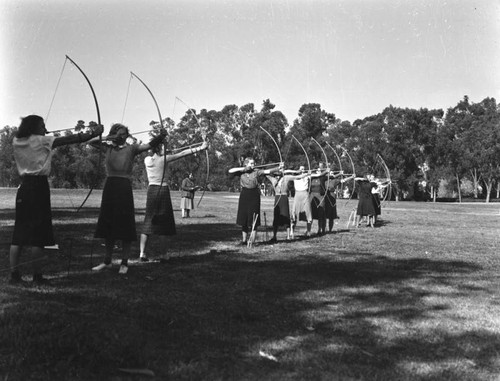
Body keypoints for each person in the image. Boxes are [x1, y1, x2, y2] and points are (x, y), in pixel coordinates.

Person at [9, 115, 103, 284]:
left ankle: (14, 275)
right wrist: (92, 134)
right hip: (38, 188)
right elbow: (69, 139)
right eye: (42, 125)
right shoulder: (42, 140)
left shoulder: (17, 140)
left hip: (23, 188)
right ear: (34, 126)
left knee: (19, 234)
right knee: (38, 235)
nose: (45, 127)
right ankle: (37, 277)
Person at [91, 123, 166, 275]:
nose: (122, 136)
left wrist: (161, 136)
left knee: (125, 225)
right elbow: (91, 142)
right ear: (113, 134)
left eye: (124, 134)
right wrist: (109, 137)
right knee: (108, 225)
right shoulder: (108, 148)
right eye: (119, 133)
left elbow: (148, 145)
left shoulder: (131, 149)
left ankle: (124, 262)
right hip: (110, 186)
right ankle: (107, 261)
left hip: (123, 186)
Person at [139, 142, 208, 261]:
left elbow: (156, 154)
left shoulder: (147, 159)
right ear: (158, 149)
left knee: (148, 222)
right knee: (165, 223)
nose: (165, 149)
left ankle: (141, 254)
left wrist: (162, 151)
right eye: (163, 147)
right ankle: (163, 255)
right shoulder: (164, 159)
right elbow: (182, 153)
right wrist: (200, 148)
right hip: (162, 190)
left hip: (151, 190)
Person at [228, 158, 282, 246]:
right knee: (243, 219)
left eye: (253, 163)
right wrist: (244, 169)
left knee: (254, 219)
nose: (253, 165)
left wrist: (278, 168)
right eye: (251, 163)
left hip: (254, 195)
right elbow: (230, 171)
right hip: (244, 195)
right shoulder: (241, 172)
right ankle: (244, 240)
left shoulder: (256, 171)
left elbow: (267, 171)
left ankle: (252, 241)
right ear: (246, 164)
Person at [265, 169, 309, 242]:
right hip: (277, 198)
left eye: (278, 175)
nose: (277, 177)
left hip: (284, 198)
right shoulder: (273, 179)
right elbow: (265, 173)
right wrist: (275, 168)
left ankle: (288, 236)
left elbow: (297, 177)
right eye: (275, 175)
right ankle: (274, 236)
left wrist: (306, 174)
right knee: (276, 217)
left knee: (286, 216)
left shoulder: (286, 178)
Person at [290, 165, 313, 239]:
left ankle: (308, 231)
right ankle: (291, 232)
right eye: (301, 169)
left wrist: (325, 171)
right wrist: (297, 172)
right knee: (294, 213)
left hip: (305, 195)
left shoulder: (307, 176)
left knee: (308, 212)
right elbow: (288, 172)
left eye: (303, 169)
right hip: (297, 195)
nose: (302, 170)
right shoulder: (295, 176)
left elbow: (318, 175)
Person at [310, 162, 330, 236]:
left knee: (321, 213)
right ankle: (309, 230)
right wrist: (326, 171)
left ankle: (321, 230)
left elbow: (331, 176)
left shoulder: (323, 177)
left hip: (320, 196)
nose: (319, 171)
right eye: (317, 170)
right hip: (312, 196)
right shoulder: (312, 176)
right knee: (311, 213)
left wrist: (328, 170)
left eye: (320, 170)